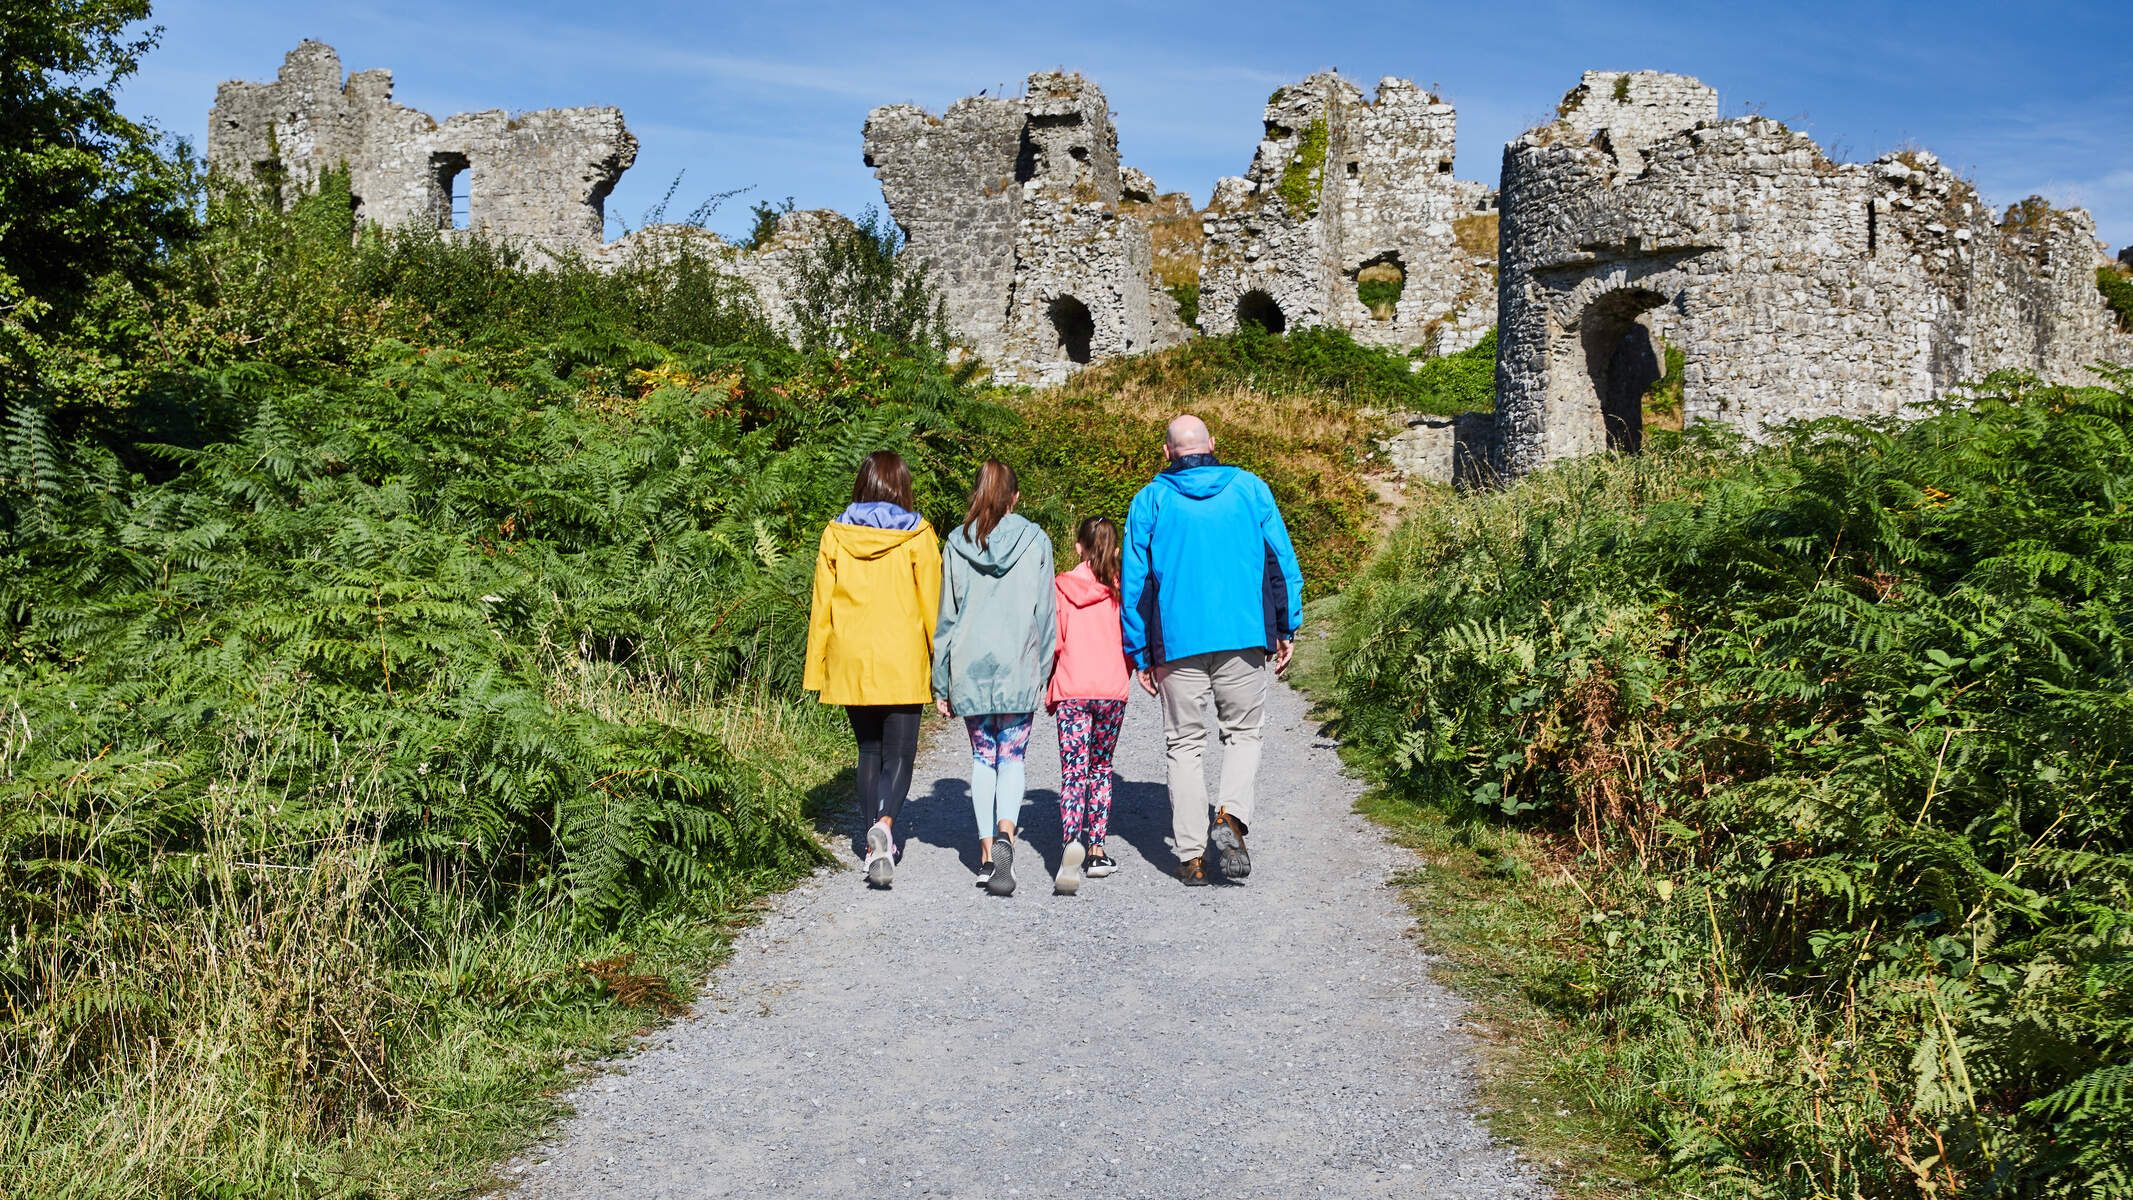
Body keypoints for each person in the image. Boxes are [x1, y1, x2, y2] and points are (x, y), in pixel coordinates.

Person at [1120, 415, 1303, 887]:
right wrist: (1286, 626)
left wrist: (1139, 650)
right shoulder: (1250, 489)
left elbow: (1136, 582)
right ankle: (1231, 816)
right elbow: (1279, 560)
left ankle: (1190, 856)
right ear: (1213, 445)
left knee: (1184, 745)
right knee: (1243, 735)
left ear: (1167, 453)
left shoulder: (1150, 500)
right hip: (1243, 636)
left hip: (1177, 643)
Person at [804, 451, 941, 889]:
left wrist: (816, 669)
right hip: (902, 657)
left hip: (851, 658)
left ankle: (871, 846)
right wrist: (945, 665)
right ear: (902, 485)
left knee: (868, 751)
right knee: (900, 754)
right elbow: (933, 606)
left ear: (862, 483)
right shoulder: (919, 534)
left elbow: (820, 607)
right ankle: (884, 826)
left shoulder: (835, 534)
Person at [932, 461, 1055, 897]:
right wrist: (1044, 673)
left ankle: (986, 857)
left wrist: (940, 683)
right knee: (1013, 758)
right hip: (1018, 665)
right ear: (1015, 498)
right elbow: (1046, 613)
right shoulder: (1036, 540)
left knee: (983, 759)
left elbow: (946, 617)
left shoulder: (955, 543)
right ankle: (1008, 833)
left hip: (970, 666)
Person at [1046, 516, 1131, 895]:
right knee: (1101, 767)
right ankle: (1097, 850)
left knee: (1073, 771)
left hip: (1073, 690)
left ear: (1078, 547)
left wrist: (1050, 683)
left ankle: (1070, 844)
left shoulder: (1062, 587)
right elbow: (1131, 640)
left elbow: (1055, 642)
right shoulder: (1123, 589)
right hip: (1111, 690)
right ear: (1115, 548)